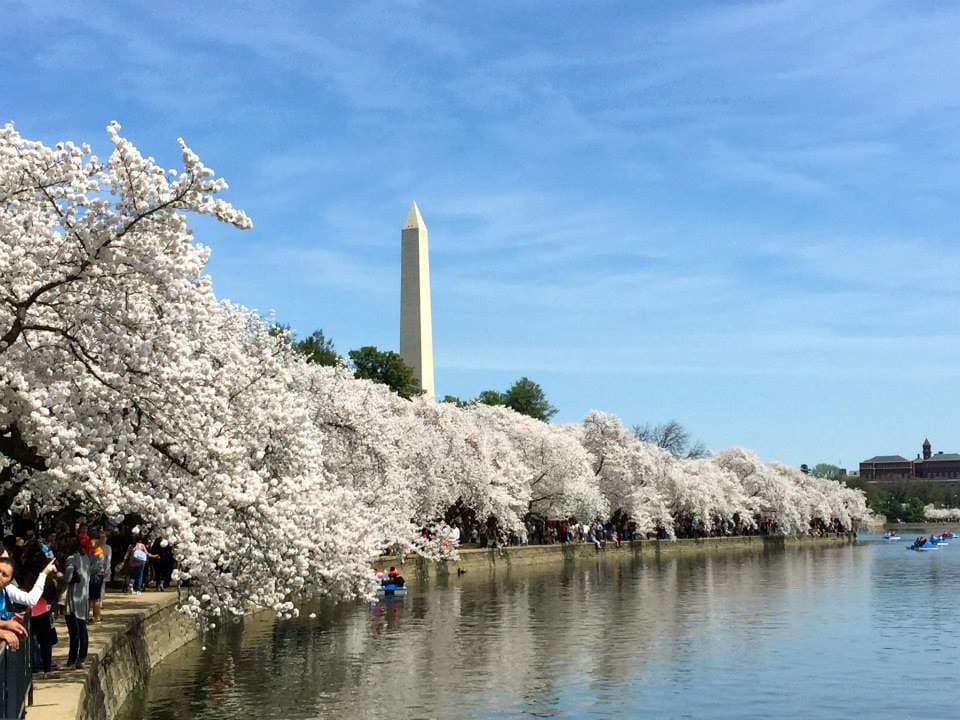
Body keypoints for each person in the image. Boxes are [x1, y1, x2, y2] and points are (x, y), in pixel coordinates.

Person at [63, 535, 91, 670]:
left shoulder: (71, 559)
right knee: (82, 630)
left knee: (74, 632)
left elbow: (67, 578)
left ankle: (72, 660)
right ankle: (81, 658)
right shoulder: (87, 559)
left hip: (73, 600)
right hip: (84, 600)